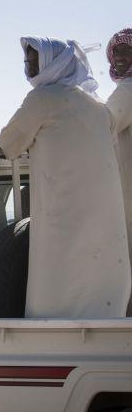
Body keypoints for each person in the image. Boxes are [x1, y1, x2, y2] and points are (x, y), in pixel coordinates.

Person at [0, 36, 131, 318]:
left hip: (63, 218)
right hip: (103, 220)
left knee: (58, 291)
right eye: (27, 62)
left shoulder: (43, 98)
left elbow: (9, 144)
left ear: (53, 64)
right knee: (96, 286)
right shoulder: (95, 105)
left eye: (35, 62)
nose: (29, 68)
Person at [106, 28, 132, 315]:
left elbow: (102, 127)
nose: (119, 58)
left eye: (127, 51)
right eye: (116, 52)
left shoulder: (127, 90)